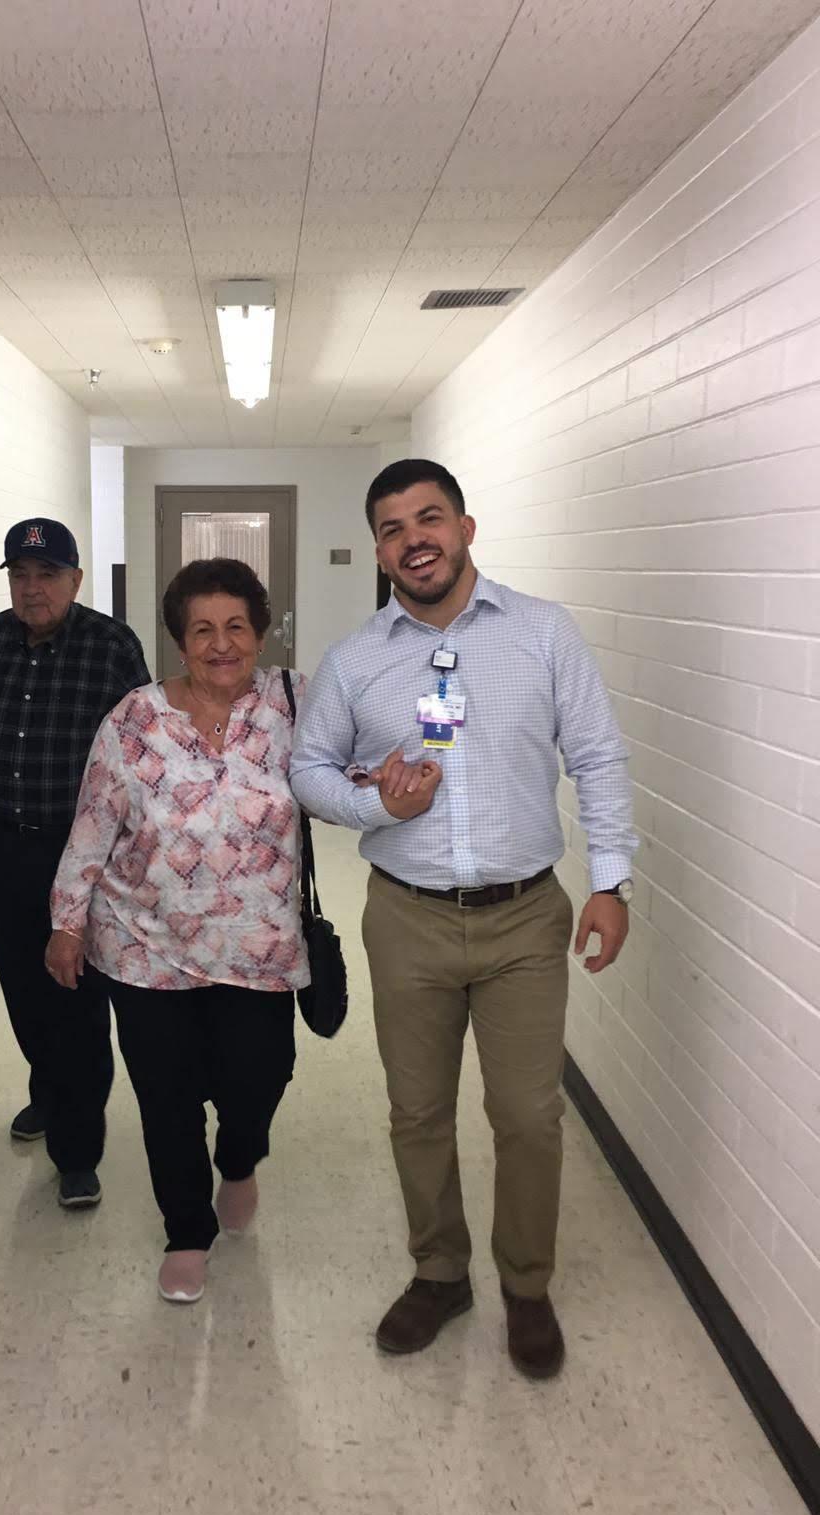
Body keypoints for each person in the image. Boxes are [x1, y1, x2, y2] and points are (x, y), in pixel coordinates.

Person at [290, 459, 637, 1378]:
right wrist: (377, 810)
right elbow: (309, 770)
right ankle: (440, 1273)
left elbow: (598, 757)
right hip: (407, 918)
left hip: (526, 916)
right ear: (378, 551)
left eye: (429, 518)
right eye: (395, 528)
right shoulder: (358, 660)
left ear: (467, 527)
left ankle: (527, 1285)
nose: (415, 540)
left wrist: (610, 881)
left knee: (527, 1115)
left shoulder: (542, 635)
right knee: (417, 1112)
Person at [45, 559, 307, 1305]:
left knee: (260, 1079)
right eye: (202, 629)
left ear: (259, 634)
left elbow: (343, 774)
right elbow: (93, 827)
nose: (220, 643)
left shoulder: (294, 705)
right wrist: (67, 922)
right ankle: (186, 1231)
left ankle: (242, 1156)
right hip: (144, 944)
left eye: (235, 626)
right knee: (166, 1096)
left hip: (259, 946)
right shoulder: (133, 720)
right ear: (179, 641)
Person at [0, 517, 149, 1210]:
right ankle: (49, 1091)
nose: (31, 588)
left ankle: (78, 1151)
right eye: (19, 575)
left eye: (47, 575)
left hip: (79, 853)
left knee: (75, 997)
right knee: (22, 987)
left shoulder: (111, 648)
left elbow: (139, 753)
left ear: (75, 580)